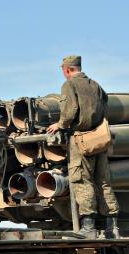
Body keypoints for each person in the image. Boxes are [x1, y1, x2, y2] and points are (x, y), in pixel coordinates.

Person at [47, 55, 119, 239]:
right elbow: (105, 109)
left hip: (81, 140)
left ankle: (89, 228)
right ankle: (113, 228)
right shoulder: (95, 85)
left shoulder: (69, 85)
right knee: (103, 181)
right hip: (99, 139)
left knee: (82, 180)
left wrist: (60, 124)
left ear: (68, 69)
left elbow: (70, 111)